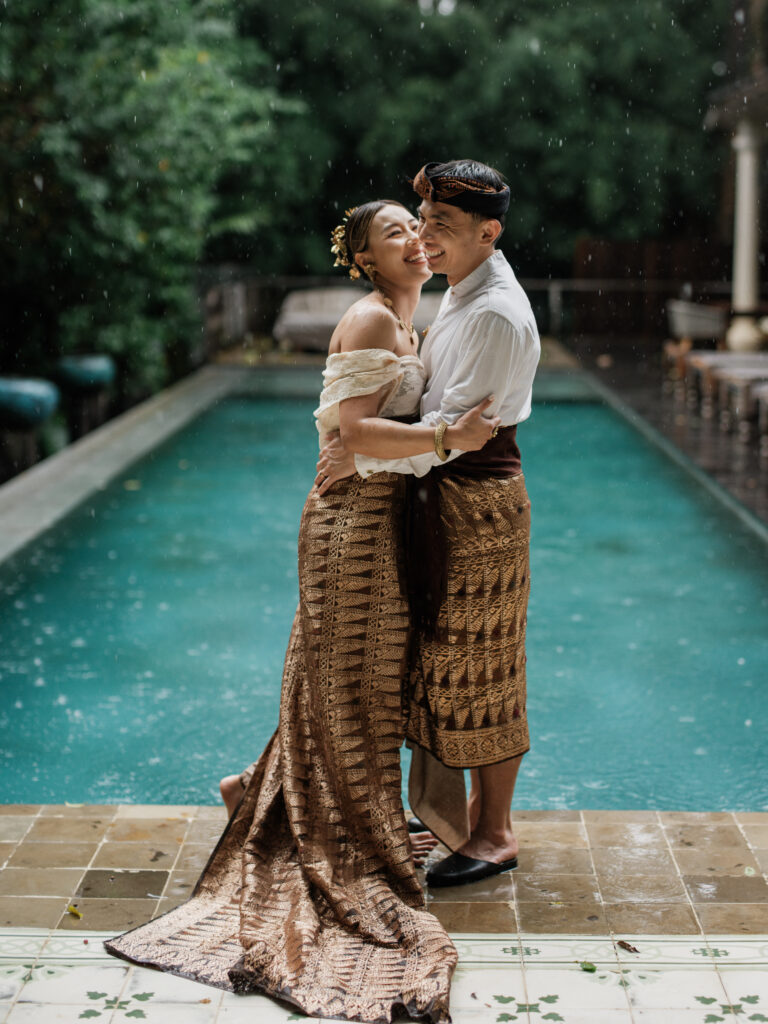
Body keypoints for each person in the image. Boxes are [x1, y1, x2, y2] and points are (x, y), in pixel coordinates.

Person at [105, 199, 499, 1024]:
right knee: (353, 685)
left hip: (377, 520)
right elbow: (355, 437)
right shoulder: (367, 321)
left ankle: (257, 788)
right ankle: (317, 823)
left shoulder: (406, 317)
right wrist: (447, 440)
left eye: (415, 228)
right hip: (349, 525)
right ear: (362, 257)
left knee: (342, 679)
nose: (412, 240)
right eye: (393, 232)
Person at [316, 160, 541, 888]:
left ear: (489, 231)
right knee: (443, 667)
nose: (426, 237)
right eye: (422, 223)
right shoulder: (459, 292)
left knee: (488, 668)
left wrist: (362, 458)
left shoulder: (493, 314)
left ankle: (494, 832)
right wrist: (367, 447)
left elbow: (452, 430)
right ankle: (459, 817)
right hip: (443, 494)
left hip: (477, 502)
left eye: (441, 226)